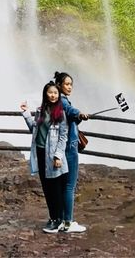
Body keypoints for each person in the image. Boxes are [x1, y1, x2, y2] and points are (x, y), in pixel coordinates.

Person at [20, 81, 68, 233]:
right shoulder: (40, 111)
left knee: (55, 188)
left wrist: (58, 156)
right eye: (50, 92)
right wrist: (26, 113)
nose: (53, 95)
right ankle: (53, 218)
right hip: (40, 153)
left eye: (55, 93)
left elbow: (63, 136)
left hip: (52, 156)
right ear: (45, 94)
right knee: (47, 188)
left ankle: (58, 220)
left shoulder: (60, 113)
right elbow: (34, 130)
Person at [54, 70, 90, 233]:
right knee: (69, 186)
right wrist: (80, 114)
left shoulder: (56, 101)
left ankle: (62, 219)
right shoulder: (63, 101)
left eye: (71, 85)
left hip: (61, 147)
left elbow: (68, 116)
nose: (69, 87)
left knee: (63, 186)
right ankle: (68, 222)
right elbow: (70, 110)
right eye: (67, 84)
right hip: (69, 147)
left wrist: (77, 117)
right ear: (59, 85)